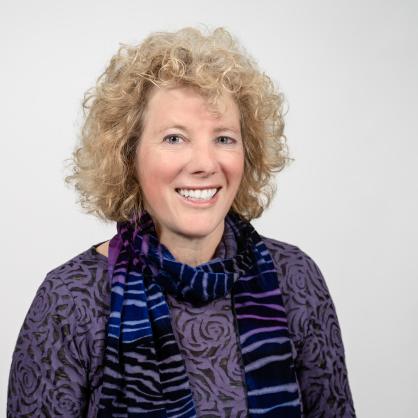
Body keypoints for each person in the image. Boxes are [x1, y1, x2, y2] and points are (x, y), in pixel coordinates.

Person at [7, 27, 356, 418]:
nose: (205, 163)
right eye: (175, 138)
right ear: (128, 155)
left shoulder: (296, 278)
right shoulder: (68, 299)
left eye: (224, 138)